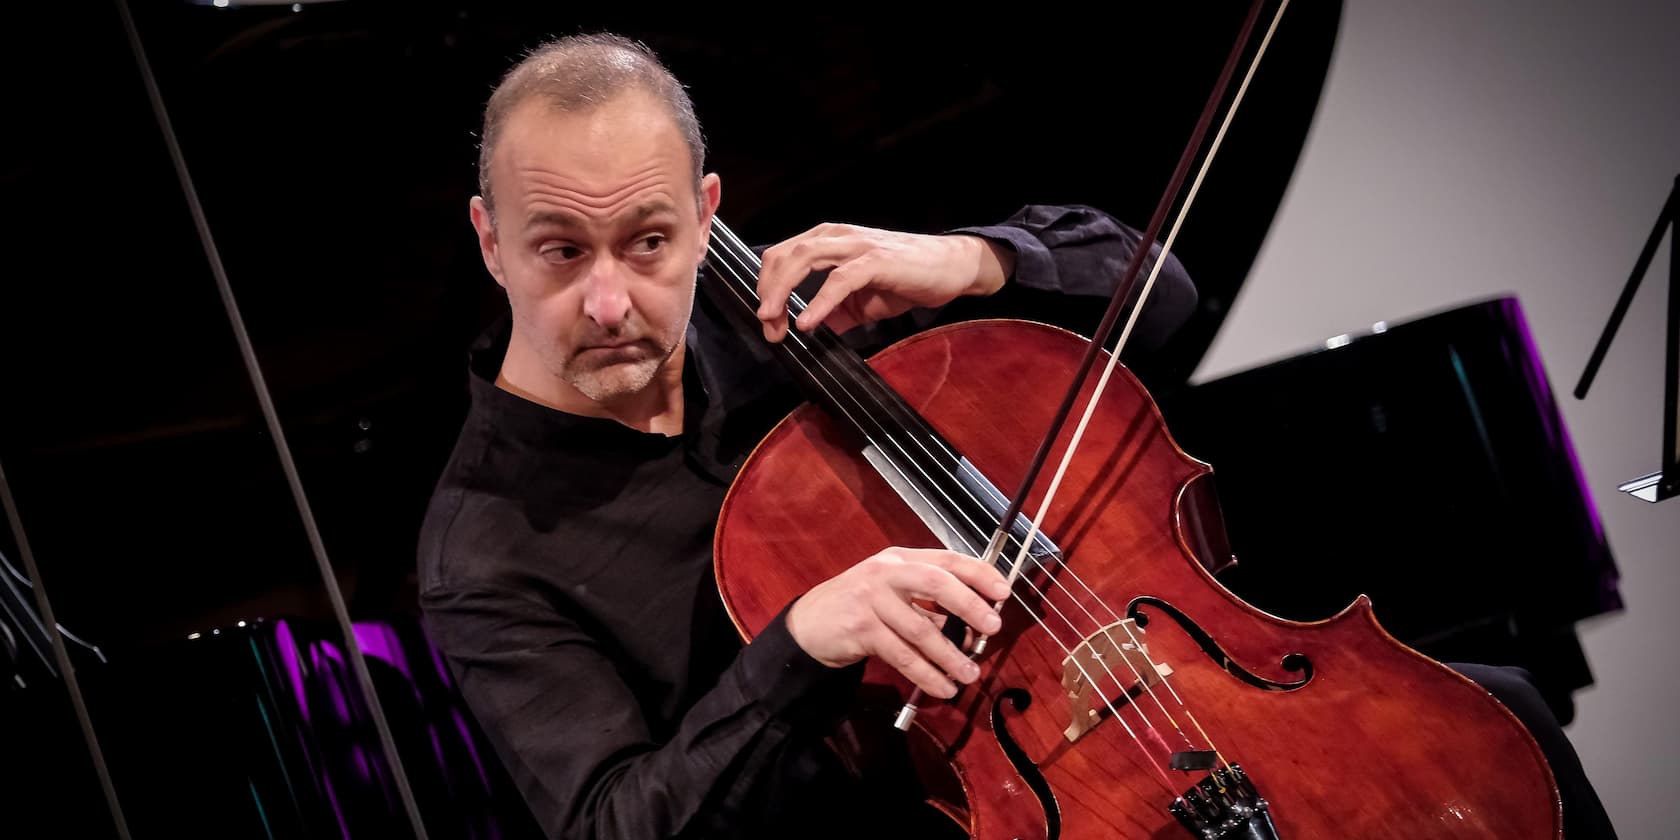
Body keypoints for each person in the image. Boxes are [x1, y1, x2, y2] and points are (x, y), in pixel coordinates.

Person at [417, 32, 1617, 840]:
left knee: (1502, 721)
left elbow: (1165, 290)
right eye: (561, 254)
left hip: (1130, 697)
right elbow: (614, 824)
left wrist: (973, 260)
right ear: (489, 239)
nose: (614, 300)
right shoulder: (483, 553)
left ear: (707, 211)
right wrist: (799, 644)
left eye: (650, 242)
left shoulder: (787, 308)